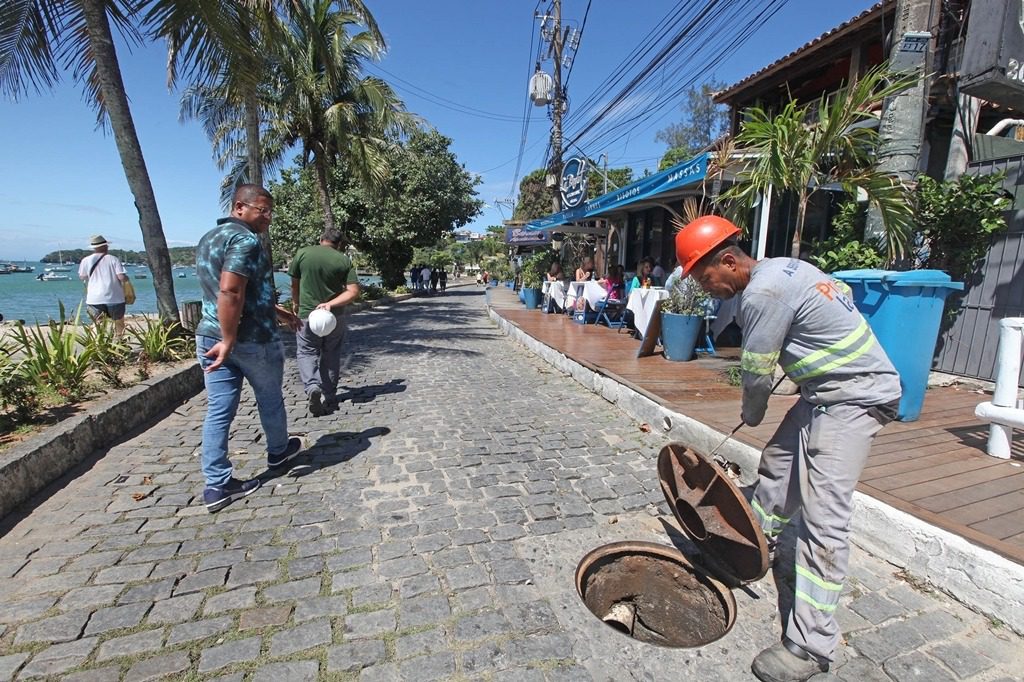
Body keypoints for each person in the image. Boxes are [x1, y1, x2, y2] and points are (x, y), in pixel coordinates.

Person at [675, 216, 901, 682]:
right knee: (777, 470)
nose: (705, 288)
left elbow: (756, 375)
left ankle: (809, 646)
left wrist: (751, 416)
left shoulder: (761, 293)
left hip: (855, 400)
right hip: (822, 395)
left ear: (729, 261)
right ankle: (752, 549)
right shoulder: (785, 267)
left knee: (823, 522)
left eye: (704, 277)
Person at [195, 184, 305, 513]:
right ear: (240, 207)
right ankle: (278, 452)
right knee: (270, 398)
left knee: (219, 409)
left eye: (270, 211)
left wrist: (277, 310)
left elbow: (236, 290)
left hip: (209, 335)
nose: (268, 217)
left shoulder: (207, 239)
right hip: (249, 338)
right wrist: (230, 339)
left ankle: (216, 484)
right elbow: (230, 292)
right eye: (262, 210)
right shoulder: (245, 240)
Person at [289, 228, 360, 417]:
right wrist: (330, 304)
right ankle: (329, 395)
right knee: (331, 353)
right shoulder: (343, 259)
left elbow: (295, 284)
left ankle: (312, 386)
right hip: (333, 316)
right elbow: (353, 292)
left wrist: (295, 303)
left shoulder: (303, 253)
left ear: (321, 239)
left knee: (306, 352)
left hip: (307, 314)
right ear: (339, 244)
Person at [78, 235, 129, 337]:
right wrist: (127, 279)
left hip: (94, 298)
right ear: (105, 246)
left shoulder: (86, 260)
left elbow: (82, 277)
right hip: (115, 298)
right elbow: (121, 277)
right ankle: (120, 345)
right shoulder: (113, 259)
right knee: (118, 323)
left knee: (97, 324)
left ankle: (97, 346)